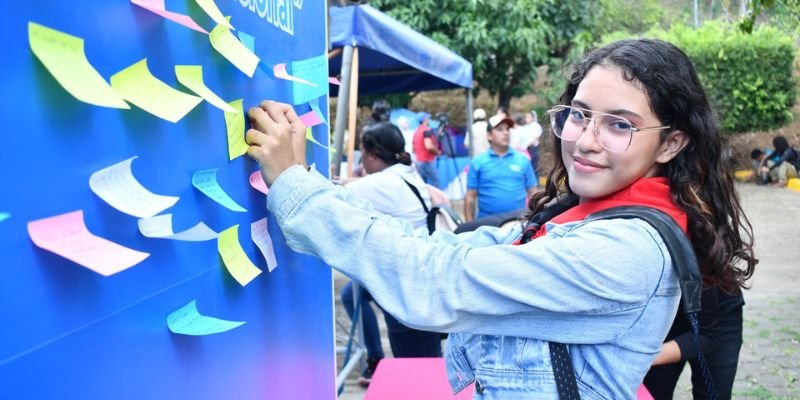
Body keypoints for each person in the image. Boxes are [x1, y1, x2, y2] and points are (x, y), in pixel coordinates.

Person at [244, 38, 756, 398]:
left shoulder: (623, 251)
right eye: (578, 114)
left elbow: (436, 284)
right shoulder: (579, 215)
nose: (585, 141)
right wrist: (305, 181)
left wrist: (296, 188)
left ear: (670, 142)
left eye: (620, 125)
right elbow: (445, 249)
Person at [338, 122, 444, 385]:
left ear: (372, 155)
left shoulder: (382, 184)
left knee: (420, 369)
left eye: (361, 152)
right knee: (352, 293)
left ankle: (393, 370)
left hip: (407, 286)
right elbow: (363, 183)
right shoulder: (406, 173)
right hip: (416, 275)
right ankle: (375, 358)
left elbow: (331, 194)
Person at [645, 286, 744, 400]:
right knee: (652, 393)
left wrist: (639, 355)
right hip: (664, 314)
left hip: (718, 316)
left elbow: (708, 336)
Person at [464, 114, 537, 222]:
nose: (506, 133)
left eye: (507, 129)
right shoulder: (477, 162)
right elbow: (470, 197)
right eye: (500, 129)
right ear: (489, 135)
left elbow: (533, 193)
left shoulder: (523, 160)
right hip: (487, 225)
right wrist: (469, 228)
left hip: (518, 223)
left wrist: (534, 221)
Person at [412, 114, 441, 187]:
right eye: (428, 118)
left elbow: (413, 149)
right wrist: (437, 152)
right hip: (426, 161)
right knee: (435, 182)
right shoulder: (426, 130)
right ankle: (435, 198)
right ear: (425, 120)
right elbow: (429, 146)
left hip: (418, 161)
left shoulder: (416, 131)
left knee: (422, 185)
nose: (429, 120)